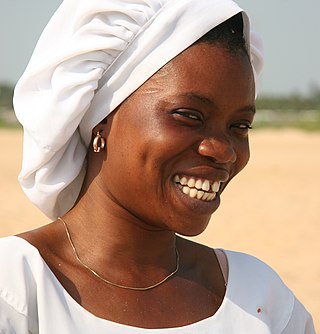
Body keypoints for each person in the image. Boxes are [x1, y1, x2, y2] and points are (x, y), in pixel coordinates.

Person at [0, 0, 315, 332]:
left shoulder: (262, 300)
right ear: (100, 121)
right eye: (189, 116)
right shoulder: (16, 290)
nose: (223, 151)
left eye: (240, 126)